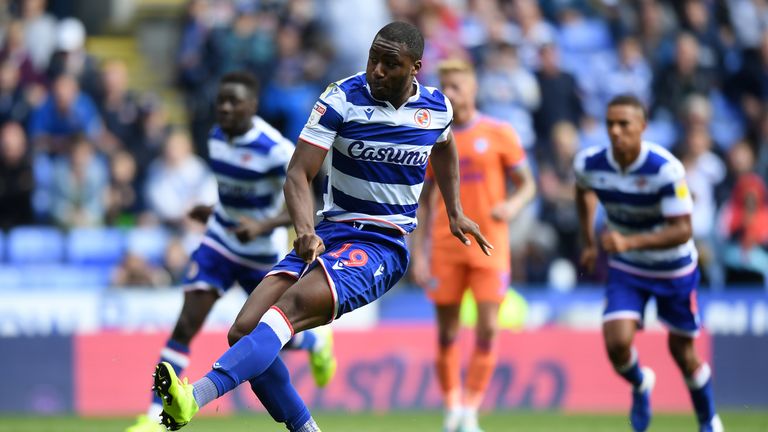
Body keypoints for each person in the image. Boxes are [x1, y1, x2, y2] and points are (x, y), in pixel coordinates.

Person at [150, 22, 491, 432]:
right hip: (329, 233)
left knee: (285, 312)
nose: (377, 70)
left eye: (390, 63)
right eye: (373, 58)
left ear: (415, 68)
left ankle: (194, 397)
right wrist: (304, 230)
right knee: (242, 331)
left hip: (383, 244)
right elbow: (297, 174)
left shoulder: (436, 110)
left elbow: (445, 146)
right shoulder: (340, 98)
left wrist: (454, 210)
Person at [126, 72, 337, 432]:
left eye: (233, 102)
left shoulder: (275, 150)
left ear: (252, 106)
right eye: (221, 101)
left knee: (261, 333)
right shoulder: (215, 138)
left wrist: (261, 226)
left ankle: (314, 341)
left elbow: (303, 203)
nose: (224, 108)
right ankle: (154, 419)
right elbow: (233, 193)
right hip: (219, 245)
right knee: (186, 324)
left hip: (260, 254)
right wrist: (212, 212)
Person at [574, 94, 723, 432]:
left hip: (674, 268)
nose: (615, 131)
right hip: (628, 267)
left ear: (642, 126)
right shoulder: (590, 163)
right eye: (610, 123)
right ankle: (641, 383)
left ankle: (708, 420)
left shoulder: (665, 169)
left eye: (624, 124)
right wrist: (587, 241)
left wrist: (628, 241)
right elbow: (582, 189)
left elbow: (683, 229)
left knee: (683, 353)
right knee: (616, 343)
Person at [410, 59, 535, 432]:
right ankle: (452, 409)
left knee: (488, 328)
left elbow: (527, 183)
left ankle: (471, 410)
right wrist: (419, 254)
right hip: (446, 248)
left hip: (490, 245)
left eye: (457, 85)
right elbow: (425, 200)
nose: (451, 92)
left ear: (473, 88)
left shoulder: (500, 133)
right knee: (447, 332)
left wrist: (511, 206)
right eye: (445, 85)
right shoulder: (434, 137)